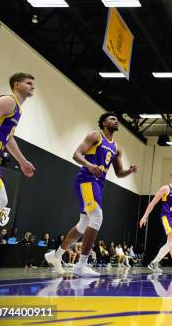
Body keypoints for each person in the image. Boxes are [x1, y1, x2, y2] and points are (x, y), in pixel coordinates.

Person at [45, 112, 137, 277]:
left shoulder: (117, 148)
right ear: (103, 123)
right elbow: (76, 155)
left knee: (82, 224)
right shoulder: (95, 136)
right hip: (86, 180)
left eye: (117, 119)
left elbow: (119, 173)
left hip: (98, 185)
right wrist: (88, 164)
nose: (116, 121)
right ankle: (81, 265)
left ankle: (55, 255)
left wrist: (129, 171)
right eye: (112, 119)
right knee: (97, 217)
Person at [0, 73, 36, 277]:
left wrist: (22, 161)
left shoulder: (18, 109)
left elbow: (9, 139)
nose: (32, 86)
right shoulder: (7, 100)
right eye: (28, 83)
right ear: (16, 84)